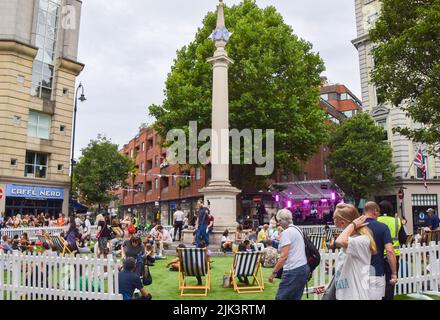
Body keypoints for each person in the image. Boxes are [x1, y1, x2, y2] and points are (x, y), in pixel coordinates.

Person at [317, 203, 377, 300]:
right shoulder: (351, 240)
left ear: (342, 223)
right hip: (343, 295)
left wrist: (353, 224)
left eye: (334, 218)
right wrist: (329, 286)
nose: (332, 220)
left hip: (355, 295)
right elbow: (341, 270)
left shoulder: (362, 240)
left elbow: (339, 241)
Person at [268, 209, 309, 301]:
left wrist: (274, 273)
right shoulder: (297, 229)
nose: (279, 224)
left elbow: (283, 257)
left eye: (279, 221)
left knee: (281, 298)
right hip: (303, 268)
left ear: (281, 220)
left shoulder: (286, 233)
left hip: (293, 270)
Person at [362, 201, 398, 300]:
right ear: (376, 212)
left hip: (358, 273)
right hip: (376, 272)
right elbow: (390, 251)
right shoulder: (382, 227)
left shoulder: (356, 227)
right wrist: (394, 273)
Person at [377, 200, 402, 300]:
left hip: (378, 255)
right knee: (390, 282)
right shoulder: (396, 221)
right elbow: (403, 238)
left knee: (376, 282)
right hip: (393, 255)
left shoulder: (376, 220)